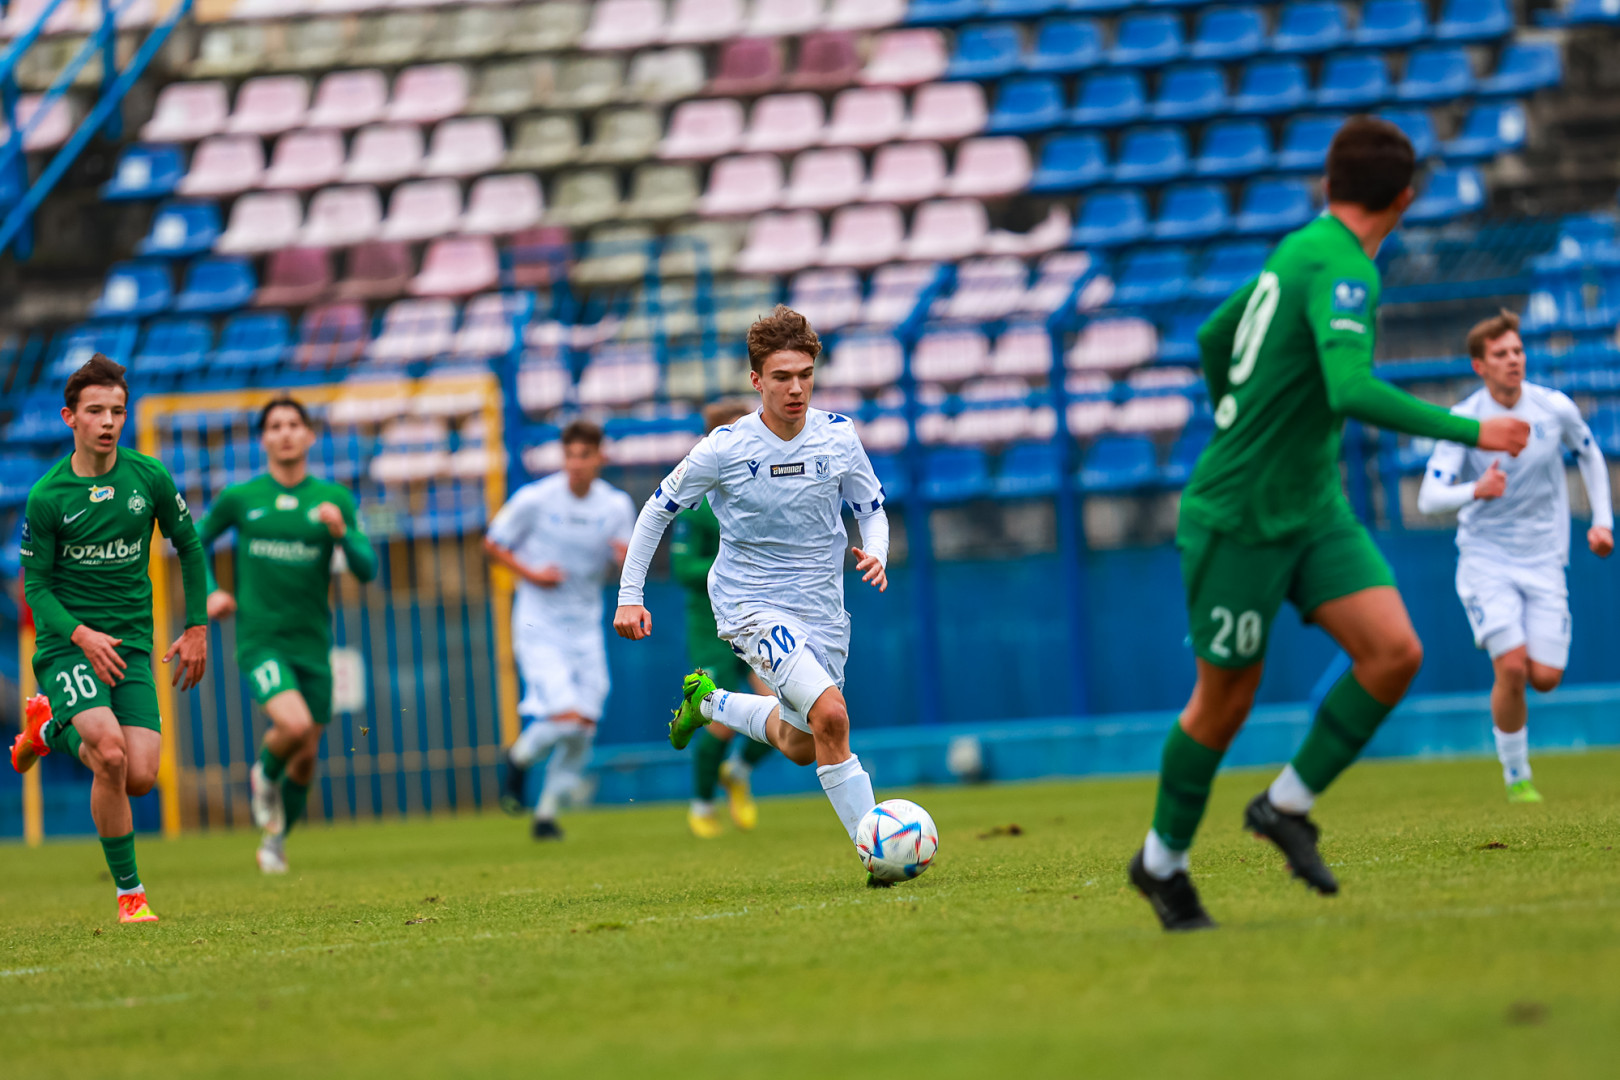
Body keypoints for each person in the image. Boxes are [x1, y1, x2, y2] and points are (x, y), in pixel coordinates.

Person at [1129, 117, 1533, 931]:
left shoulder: (1301, 248)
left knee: (1392, 652)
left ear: (1329, 182)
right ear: (1405, 199)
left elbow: (1215, 335)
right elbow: (1348, 388)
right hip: (1240, 515)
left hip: (1312, 506)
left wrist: (1242, 413)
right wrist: (1473, 428)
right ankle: (1160, 864)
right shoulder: (1344, 267)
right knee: (1224, 702)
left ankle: (1285, 805)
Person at [613, 305, 893, 884]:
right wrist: (629, 595)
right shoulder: (725, 449)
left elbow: (871, 508)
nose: (796, 389)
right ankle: (880, 852)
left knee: (802, 742)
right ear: (756, 380)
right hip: (750, 604)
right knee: (832, 716)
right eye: (782, 377)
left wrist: (877, 551)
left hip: (822, 607)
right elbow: (657, 509)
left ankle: (710, 704)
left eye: (805, 375)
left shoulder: (839, 436)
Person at [11, 354, 209, 924]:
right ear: (69, 417)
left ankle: (47, 729)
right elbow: (36, 588)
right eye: (95, 411)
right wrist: (81, 634)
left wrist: (196, 627)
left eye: (117, 411)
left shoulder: (149, 477)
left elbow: (190, 547)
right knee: (110, 752)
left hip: (131, 648)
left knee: (140, 776)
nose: (108, 422)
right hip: (68, 647)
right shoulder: (48, 496)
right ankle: (131, 895)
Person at [1417, 310, 1612, 803]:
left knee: (1544, 677)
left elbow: (1589, 452)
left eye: (1518, 350)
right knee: (1511, 666)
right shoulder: (1464, 419)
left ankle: (1517, 760)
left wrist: (1603, 521)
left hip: (1544, 556)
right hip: (1485, 558)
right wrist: (1474, 489)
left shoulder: (1553, 407)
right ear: (1479, 365)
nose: (1513, 360)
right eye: (1501, 354)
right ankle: (1516, 775)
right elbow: (1428, 498)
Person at [197, 397, 378, 873]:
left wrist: (343, 534)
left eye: (294, 424)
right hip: (261, 640)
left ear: (309, 435)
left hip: (312, 643)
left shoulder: (334, 499)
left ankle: (275, 841)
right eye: (275, 426)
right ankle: (264, 774)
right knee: (293, 727)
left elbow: (367, 569)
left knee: (307, 754)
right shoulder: (241, 497)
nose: (285, 433)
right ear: (263, 439)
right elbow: (193, 541)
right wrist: (211, 591)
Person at [489, 420, 635, 840]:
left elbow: (628, 559)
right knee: (567, 718)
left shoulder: (616, 505)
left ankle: (546, 814)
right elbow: (493, 544)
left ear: (600, 457)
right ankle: (518, 758)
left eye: (584, 455)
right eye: (570, 455)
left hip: (585, 627)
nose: (576, 464)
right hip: (539, 623)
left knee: (584, 726)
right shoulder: (535, 499)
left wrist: (625, 559)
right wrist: (531, 573)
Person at [672, 399, 778, 839]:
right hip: (711, 627)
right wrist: (728, 565)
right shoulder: (696, 502)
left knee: (793, 710)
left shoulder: (761, 492)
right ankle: (701, 804)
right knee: (719, 723)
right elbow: (682, 568)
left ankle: (737, 771)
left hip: (757, 620)